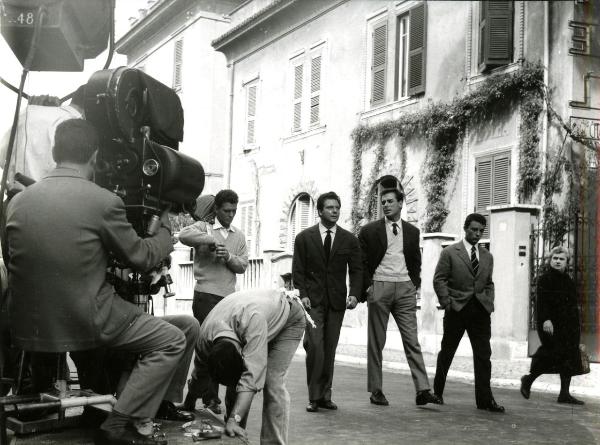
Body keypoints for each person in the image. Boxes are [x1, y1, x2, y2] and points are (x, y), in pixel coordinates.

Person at [5, 118, 190, 445]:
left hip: (28, 327)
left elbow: (17, 260)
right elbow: (144, 257)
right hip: (86, 322)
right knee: (173, 339)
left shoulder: (17, 202)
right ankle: (121, 422)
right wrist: (166, 232)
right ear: (94, 155)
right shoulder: (103, 201)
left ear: (54, 151)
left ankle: (130, 406)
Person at [358, 188, 440, 407]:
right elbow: (361, 262)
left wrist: (414, 284)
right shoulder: (369, 231)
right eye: (383, 202)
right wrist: (368, 287)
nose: (386, 205)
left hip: (405, 289)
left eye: (390, 201)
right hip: (380, 287)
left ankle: (423, 390)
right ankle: (376, 391)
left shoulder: (412, 231)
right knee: (376, 342)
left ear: (401, 203)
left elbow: (415, 261)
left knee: (411, 340)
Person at [192, 288, 306, 444]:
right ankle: (235, 436)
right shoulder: (204, 339)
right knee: (238, 386)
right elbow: (200, 372)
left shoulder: (252, 323)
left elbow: (251, 378)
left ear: (242, 353)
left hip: (289, 318)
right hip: (257, 313)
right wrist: (189, 402)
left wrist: (234, 418)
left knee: (272, 381)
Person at [179, 189, 249, 414]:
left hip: (229, 299)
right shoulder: (204, 228)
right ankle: (208, 397)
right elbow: (183, 235)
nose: (230, 215)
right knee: (207, 348)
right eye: (226, 211)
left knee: (224, 348)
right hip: (205, 295)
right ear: (216, 209)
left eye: (234, 211)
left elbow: (242, 265)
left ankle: (202, 398)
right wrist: (210, 240)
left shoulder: (238, 236)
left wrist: (227, 256)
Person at [292, 191, 362, 412]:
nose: (334, 211)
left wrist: (354, 294)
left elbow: (358, 270)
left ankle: (325, 396)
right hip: (312, 302)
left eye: (337, 207)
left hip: (336, 302)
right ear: (319, 211)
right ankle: (314, 396)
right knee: (315, 347)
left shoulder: (349, 239)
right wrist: (302, 294)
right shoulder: (304, 238)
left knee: (329, 349)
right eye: (330, 208)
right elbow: (298, 270)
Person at [432, 213, 505, 413]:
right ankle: (437, 392)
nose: (477, 234)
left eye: (481, 231)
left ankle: (485, 400)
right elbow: (439, 279)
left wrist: (488, 302)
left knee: (483, 355)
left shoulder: (487, 256)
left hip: (480, 311)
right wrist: (447, 302)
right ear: (465, 229)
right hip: (457, 309)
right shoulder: (450, 252)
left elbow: (489, 282)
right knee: (447, 351)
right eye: (473, 229)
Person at [520, 246, 585, 405]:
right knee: (551, 354)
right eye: (555, 258)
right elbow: (541, 303)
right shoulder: (545, 279)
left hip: (568, 326)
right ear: (550, 260)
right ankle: (528, 380)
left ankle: (564, 394)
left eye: (561, 259)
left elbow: (573, 304)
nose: (558, 261)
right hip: (551, 325)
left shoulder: (569, 281)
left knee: (569, 356)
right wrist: (546, 320)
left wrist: (576, 326)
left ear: (566, 262)